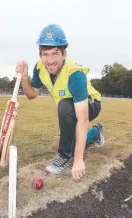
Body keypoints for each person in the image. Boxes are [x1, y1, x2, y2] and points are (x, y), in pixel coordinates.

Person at [15, 24, 105, 181]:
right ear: (40, 55)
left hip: (91, 104)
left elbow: (82, 119)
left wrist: (78, 160)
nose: (50, 61)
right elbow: (31, 94)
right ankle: (96, 133)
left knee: (65, 108)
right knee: (74, 135)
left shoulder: (75, 74)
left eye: (55, 54)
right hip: (69, 107)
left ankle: (64, 156)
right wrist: (24, 77)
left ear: (64, 54)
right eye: (45, 54)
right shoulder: (39, 68)